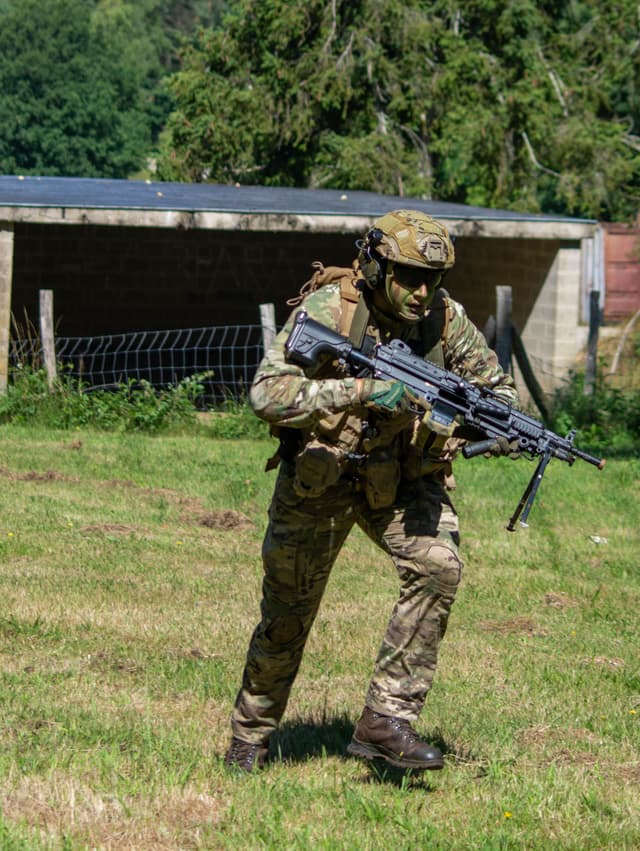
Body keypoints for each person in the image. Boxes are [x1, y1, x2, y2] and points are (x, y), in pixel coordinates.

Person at [224, 209, 519, 772]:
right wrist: (360, 390)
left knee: (439, 568)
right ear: (378, 265)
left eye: (433, 280)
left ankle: (385, 721)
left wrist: (479, 420)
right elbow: (267, 394)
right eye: (408, 275)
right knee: (287, 615)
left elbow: (499, 390)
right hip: (321, 474)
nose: (422, 291)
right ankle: (249, 738)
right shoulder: (332, 308)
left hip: (402, 481)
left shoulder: (443, 319)